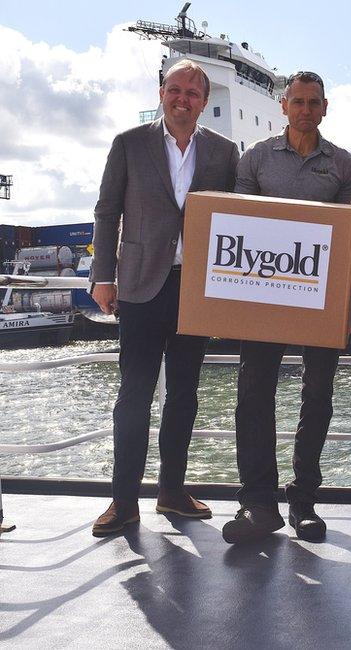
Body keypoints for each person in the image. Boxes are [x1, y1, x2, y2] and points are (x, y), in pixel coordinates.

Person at [221, 71, 351, 544]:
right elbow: (241, 224)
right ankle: (258, 502)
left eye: (314, 103)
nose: (306, 110)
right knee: (253, 395)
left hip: (321, 297)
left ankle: (304, 500)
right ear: (284, 106)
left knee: (318, 396)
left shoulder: (343, 165)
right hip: (265, 293)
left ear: (325, 108)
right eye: (298, 102)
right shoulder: (255, 158)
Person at [89, 59, 239, 537]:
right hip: (138, 285)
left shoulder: (223, 151)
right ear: (161, 92)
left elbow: (235, 219)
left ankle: (171, 491)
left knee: (185, 395)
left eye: (193, 94)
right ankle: (123, 502)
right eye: (175, 90)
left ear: (204, 100)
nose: (183, 100)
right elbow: (107, 211)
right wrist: (101, 276)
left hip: (195, 287)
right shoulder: (129, 144)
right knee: (133, 395)